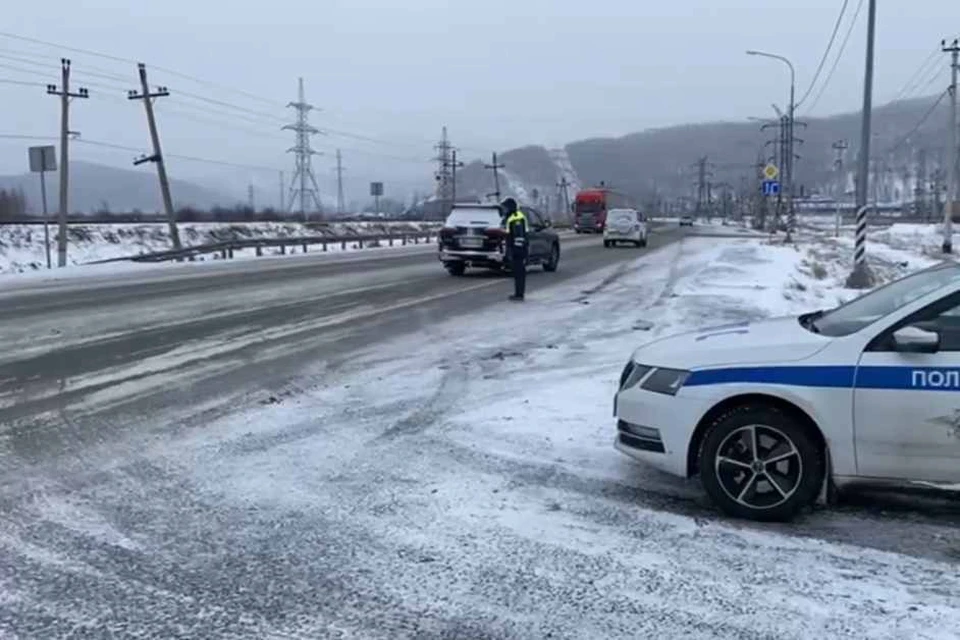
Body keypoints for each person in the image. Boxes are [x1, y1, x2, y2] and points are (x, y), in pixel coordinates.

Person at [501, 197, 528, 301]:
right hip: (516, 249)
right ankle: (518, 293)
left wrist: (515, 251)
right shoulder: (512, 217)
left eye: (506, 208)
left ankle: (519, 294)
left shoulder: (516, 218)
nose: (504, 210)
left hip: (518, 250)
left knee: (519, 273)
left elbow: (519, 236)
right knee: (517, 273)